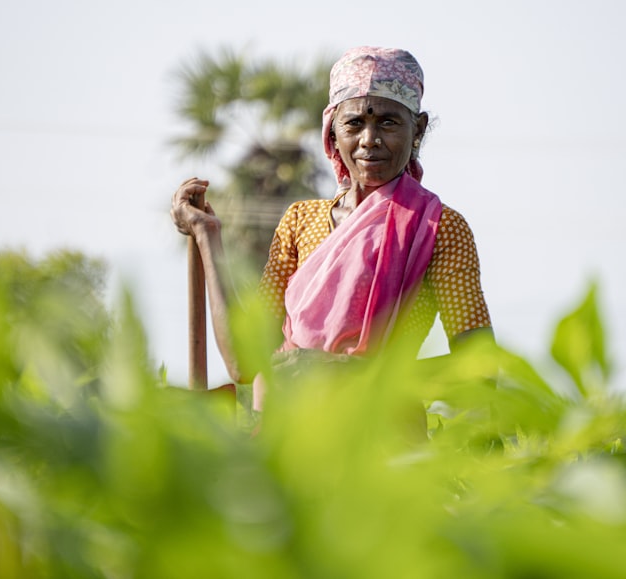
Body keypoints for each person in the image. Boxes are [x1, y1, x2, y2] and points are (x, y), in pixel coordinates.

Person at [171, 46, 492, 409]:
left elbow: (479, 367)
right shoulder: (300, 221)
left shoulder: (439, 227)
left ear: (416, 130)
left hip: (388, 450)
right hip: (286, 446)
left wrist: (339, 370)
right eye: (355, 123)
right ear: (332, 132)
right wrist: (207, 235)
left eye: (388, 122)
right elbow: (244, 361)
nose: (370, 140)